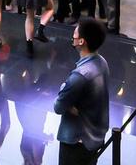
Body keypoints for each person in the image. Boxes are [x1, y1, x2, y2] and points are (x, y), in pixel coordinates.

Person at [54, 18, 111, 165]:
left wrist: (63, 88)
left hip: (76, 143)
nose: (73, 35)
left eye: (75, 33)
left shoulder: (80, 75)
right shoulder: (102, 62)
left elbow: (58, 107)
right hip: (94, 138)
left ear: (81, 41)